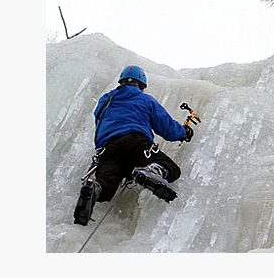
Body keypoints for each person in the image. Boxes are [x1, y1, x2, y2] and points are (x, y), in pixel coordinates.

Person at [74, 65, 194, 226]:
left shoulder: (106, 100)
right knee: (171, 169)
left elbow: (99, 119)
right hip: (135, 142)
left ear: (121, 81)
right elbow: (167, 128)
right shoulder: (145, 99)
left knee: (107, 184)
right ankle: (151, 170)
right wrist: (184, 132)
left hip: (108, 148)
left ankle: (95, 187)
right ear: (142, 84)